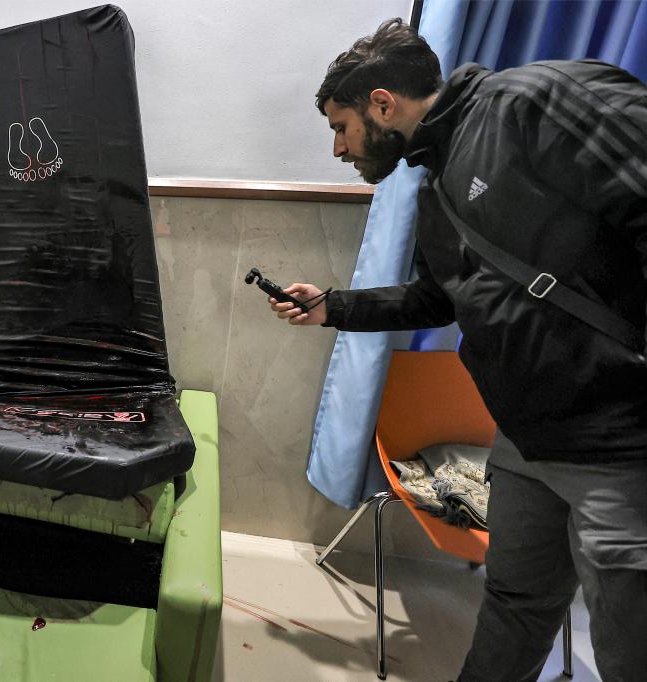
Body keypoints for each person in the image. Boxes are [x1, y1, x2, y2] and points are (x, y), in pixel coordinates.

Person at [272, 17, 647, 682]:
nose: (337, 149)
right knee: (514, 607)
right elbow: (436, 300)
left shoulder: (530, 105)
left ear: (381, 104)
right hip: (527, 442)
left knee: (631, 651)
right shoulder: (435, 184)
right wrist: (333, 305)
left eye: (341, 127)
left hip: (620, 449)